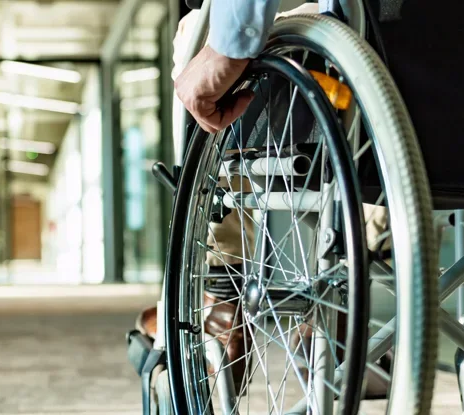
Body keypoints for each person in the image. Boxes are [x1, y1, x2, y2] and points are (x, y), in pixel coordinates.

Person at [136, 1, 391, 394]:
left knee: (198, 29)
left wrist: (225, 47)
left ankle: (223, 303)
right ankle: (350, 295)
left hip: (369, 43)